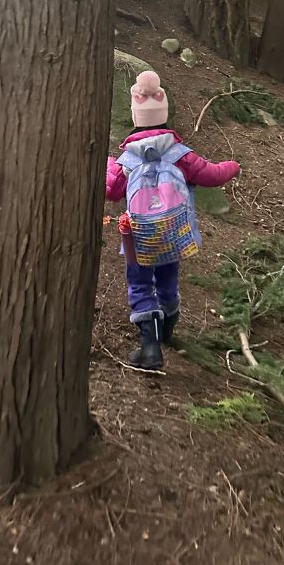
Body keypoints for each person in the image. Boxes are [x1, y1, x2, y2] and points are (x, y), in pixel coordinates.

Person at [106, 70, 239, 370]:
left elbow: (111, 192)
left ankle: (149, 346)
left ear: (136, 118)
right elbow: (212, 175)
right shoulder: (181, 154)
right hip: (172, 233)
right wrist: (233, 165)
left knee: (139, 284)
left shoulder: (127, 160)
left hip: (137, 238)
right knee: (167, 278)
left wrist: (109, 165)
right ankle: (167, 327)